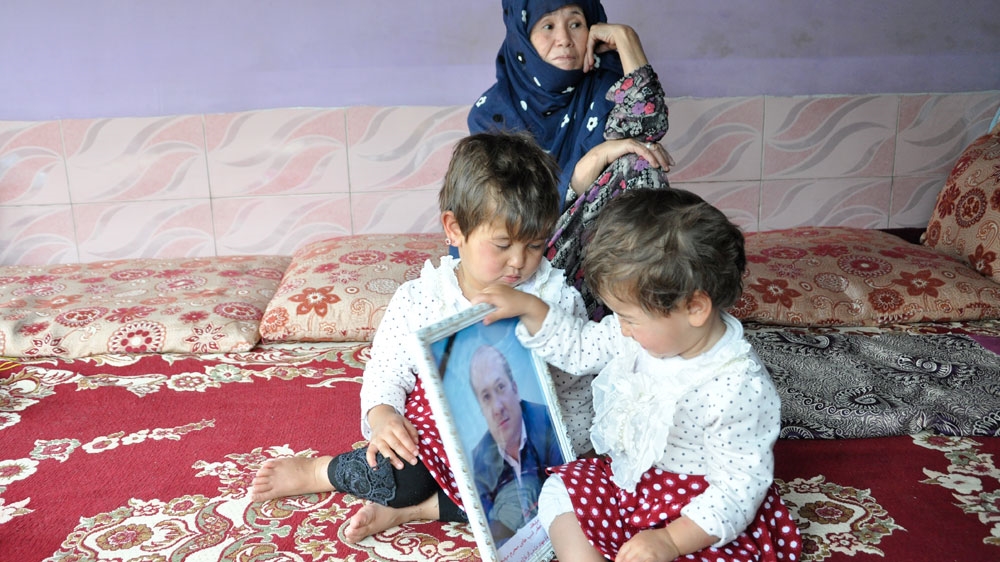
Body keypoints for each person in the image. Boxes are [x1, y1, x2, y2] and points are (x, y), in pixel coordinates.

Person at [250, 130, 593, 544]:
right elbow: (386, 372)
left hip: (516, 445)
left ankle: (416, 511)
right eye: (502, 244)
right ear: (455, 229)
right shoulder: (421, 298)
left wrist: (571, 451)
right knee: (399, 474)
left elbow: (577, 389)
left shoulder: (555, 298)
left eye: (535, 245)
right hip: (432, 442)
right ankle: (321, 471)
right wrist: (383, 417)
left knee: (549, 497)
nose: (519, 262)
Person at [473, 188, 802, 562]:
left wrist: (670, 541)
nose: (621, 328)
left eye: (629, 318)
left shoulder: (737, 385)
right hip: (634, 485)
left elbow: (738, 489)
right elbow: (580, 346)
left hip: (697, 512)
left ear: (695, 308)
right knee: (560, 490)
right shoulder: (636, 335)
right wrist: (530, 308)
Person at [469, 0, 674, 317]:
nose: (564, 39)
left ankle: (644, 316)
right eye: (548, 26)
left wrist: (626, 38)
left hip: (606, 262)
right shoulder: (493, 114)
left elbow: (648, 129)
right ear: (522, 36)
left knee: (639, 161)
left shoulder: (604, 87)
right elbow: (506, 216)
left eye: (576, 24)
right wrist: (582, 172)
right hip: (526, 263)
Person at [467, 344, 564, 544]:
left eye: (500, 387)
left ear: (515, 389)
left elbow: (566, 495)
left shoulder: (548, 423)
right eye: (486, 397)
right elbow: (492, 533)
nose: (497, 407)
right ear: (482, 409)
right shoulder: (480, 458)